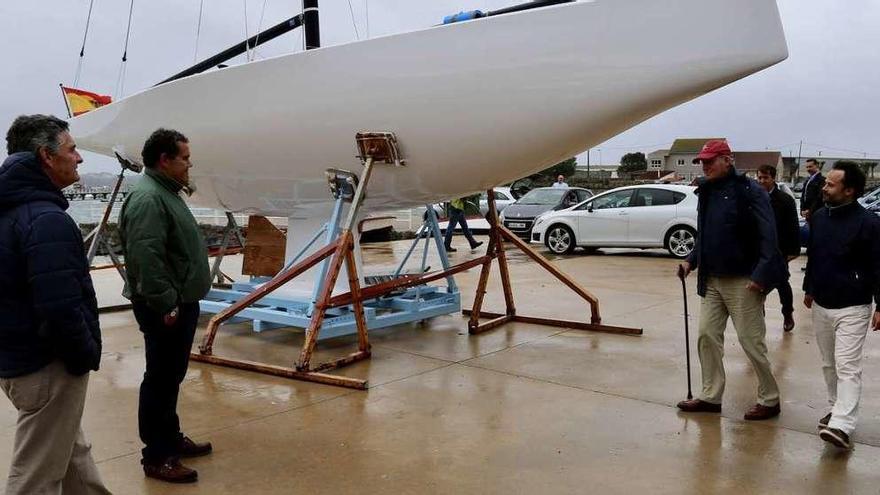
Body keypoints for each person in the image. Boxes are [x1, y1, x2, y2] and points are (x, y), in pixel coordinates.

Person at [0, 115, 110, 494]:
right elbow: (60, 306)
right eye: (72, 149)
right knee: (36, 478)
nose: (79, 158)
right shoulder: (47, 220)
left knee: (72, 454)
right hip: (47, 365)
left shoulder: (9, 211)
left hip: (16, 359)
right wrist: (82, 354)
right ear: (46, 156)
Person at [119, 128, 213, 483]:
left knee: (170, 376)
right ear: (164, 159)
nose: (189, 164)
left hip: (178, 302)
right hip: (166, 307)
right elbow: (146, 256)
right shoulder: (149, 198)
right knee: (159, 379)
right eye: (184, 158)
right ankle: (157, 456)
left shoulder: (164, 192)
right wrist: (166, 304)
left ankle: (170, 438)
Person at [676, 140, 786, 421]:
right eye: (703, 161)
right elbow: (705, 235)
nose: (705, 165)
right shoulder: (707, 192)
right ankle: (710, 396)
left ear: (728, 160)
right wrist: (691, 260)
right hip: (711, 279)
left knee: (751, 342)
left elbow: (769, 236)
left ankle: (770, 399)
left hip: (744, 280)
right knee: (706, 336)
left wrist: (760, 275)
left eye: (711, 160)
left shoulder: (750, 191)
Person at [803, 161, 880, 449]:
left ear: (849, 191)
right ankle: (836, 408)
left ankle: (843, 425)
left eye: (831, 184)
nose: (824, 187)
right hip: (822, 302)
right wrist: (809, 288)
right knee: (828, 364)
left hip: (854, 306)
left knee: (847, 365)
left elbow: (878, 266)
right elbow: (814, 256)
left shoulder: (869, 223)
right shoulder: (820, 217)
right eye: (825, 183)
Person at [756, 164, 801, 332]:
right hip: (759, 251)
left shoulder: (785, 200)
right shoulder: (754, 198)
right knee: (758, 285)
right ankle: (758, 315)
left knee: (782, 284)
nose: (761, 181)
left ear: (773, 178)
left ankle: (787, 313)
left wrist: (793, 251)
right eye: (759, 177)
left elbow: (793, 227)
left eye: (765, 178)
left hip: (779, 250)